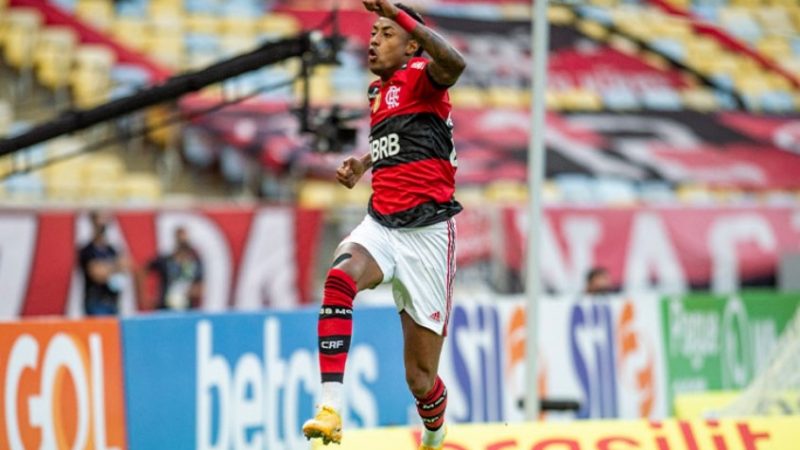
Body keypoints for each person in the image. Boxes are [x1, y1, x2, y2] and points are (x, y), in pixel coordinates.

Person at [302, 2, 466, 449]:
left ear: (412, 44)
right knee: (339, 277)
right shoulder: (379, 92)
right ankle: (330, 408)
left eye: (386, 33)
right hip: (382, 224)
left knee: (419, 378)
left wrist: (405, 14)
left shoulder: (426, 77)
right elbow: (401, 138)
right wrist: (364, 162)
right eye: (372, 33)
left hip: (428, 235)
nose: (373, 40)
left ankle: (434, 434)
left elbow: (456, 62)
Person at [138, 226, 204, 311]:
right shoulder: (166, 261)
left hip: (186, 309)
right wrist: (144, 297)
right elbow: (142, 270)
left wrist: (191, 291)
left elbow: (201, 287)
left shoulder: (194, 263)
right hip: (165, 308)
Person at [78, 210, 129, 316]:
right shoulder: (88, 250)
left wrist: (107, 268)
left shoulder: (111, 249)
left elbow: (125, 267)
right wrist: (115, 267)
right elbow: (97, 274)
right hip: (96, 302)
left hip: (113, 301)